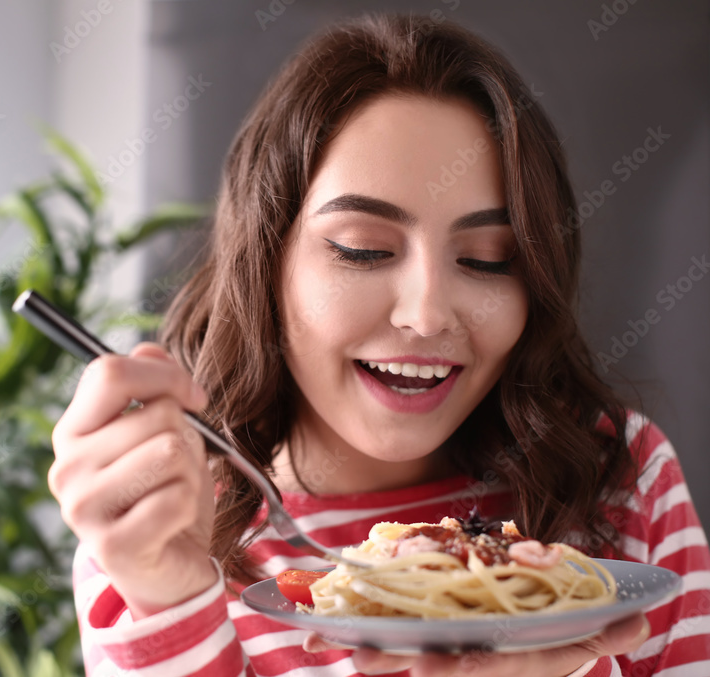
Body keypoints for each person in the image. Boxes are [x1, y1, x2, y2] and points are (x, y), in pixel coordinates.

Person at [48, 13, 710, 677]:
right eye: (361, 250)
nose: (425, 314)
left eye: (486, 258)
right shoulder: (154, 526)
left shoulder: (622, 479)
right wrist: (172, 597)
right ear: (266, 264)